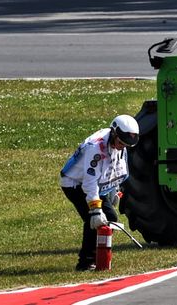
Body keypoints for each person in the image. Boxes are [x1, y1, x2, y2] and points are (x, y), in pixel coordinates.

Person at [59, 114, 139, 271]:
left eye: (125, 145)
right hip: (75, 184)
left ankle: (99, 256)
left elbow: (115, 167)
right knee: (94, 221)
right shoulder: (96, 148)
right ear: (114, 133)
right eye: (120, 143)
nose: (122, 147)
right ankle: (86, 262)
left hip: (98, 185)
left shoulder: (118, 143)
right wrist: (95, 210)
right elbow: (89, 182)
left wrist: (114, 190)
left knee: (110, 218)